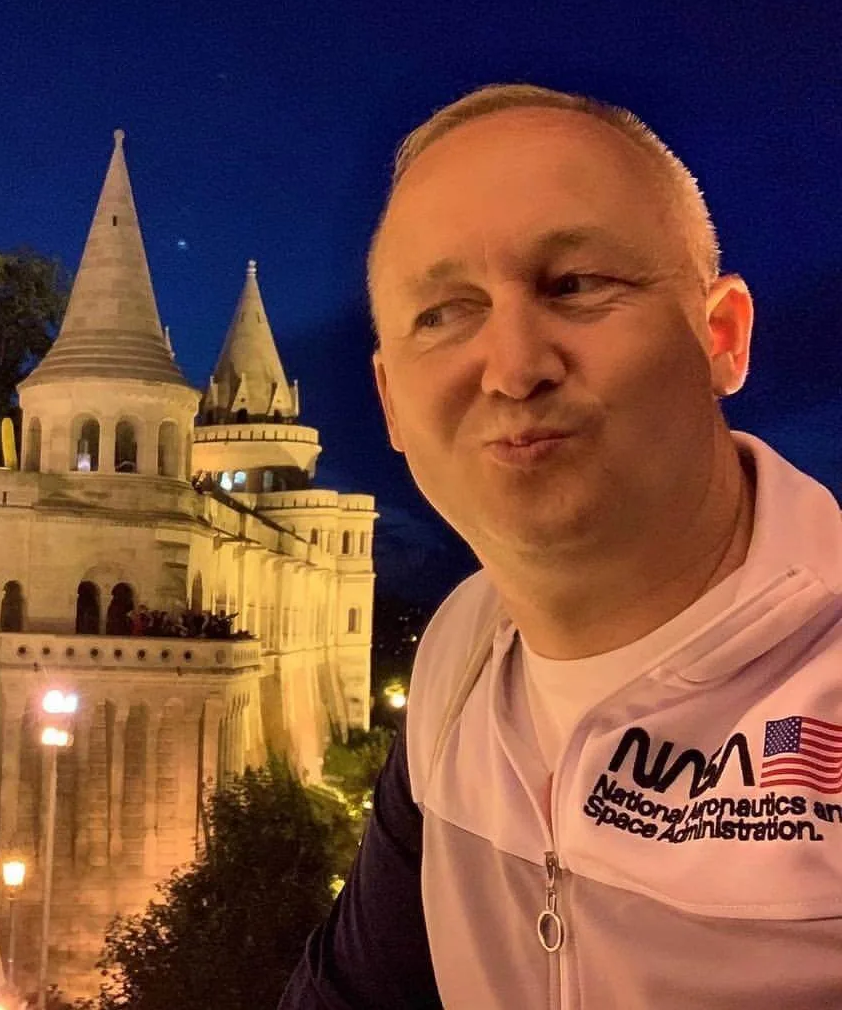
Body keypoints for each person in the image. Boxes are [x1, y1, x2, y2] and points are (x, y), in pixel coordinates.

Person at [281, 84, 842, 1008]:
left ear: (723, 338)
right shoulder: (460, 657)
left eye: (575, 285)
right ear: (390, 404)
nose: (514, 369)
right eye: (444, 313)